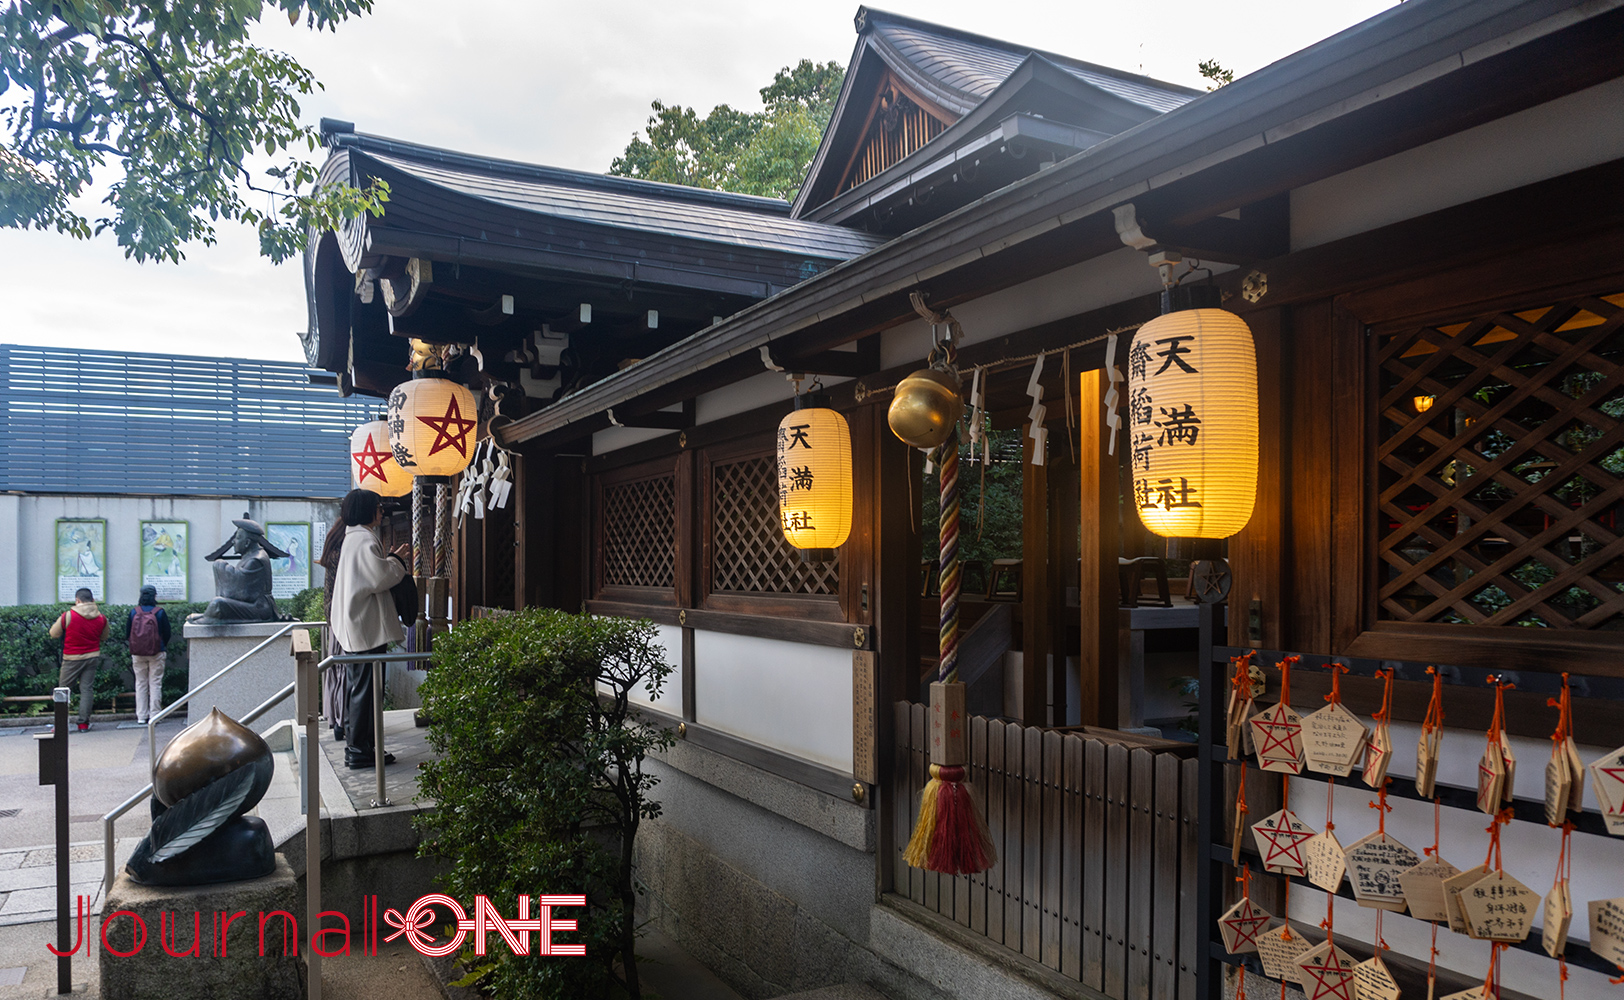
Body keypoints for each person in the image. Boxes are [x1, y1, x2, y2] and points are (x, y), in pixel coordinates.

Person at [330, 489, 410, 769]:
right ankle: (361, 750)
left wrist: (389, 560)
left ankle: (360, 747)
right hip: (365, 626)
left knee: (359, 689)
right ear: (366, 510)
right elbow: (379, 577)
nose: (381, 511)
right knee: (366, 691)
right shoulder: (364, 539)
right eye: (377, 507)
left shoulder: (354, 536)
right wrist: (396, 560)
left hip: (355, 624)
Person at [48, 587, 107, 731]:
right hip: (92, 656)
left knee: (63, 690)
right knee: (86, 689)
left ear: (77, 600)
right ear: (92, 600)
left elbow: (53, 633)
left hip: (71, 658)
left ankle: (61, 724)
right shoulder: (101, 618)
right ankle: (83, 723)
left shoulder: (68, 616)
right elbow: (104, 637)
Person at [318, 514, 349, 741]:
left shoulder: (333, 550)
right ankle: (341, 721)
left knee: (336, 672)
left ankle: (336, 719)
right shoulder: (343, 551)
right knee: (344, 671)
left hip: (332, 614)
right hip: (341, 615)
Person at [124, 585, 172, 723]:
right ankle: (155, 715)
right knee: (155, 683)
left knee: (140, 683)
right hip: (157, 652)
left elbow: (128, 633)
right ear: (154, 596)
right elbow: (167, 633)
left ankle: (141, 716)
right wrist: (161, 645)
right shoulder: (160, 612)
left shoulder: (134, 612)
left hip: (138, 653)